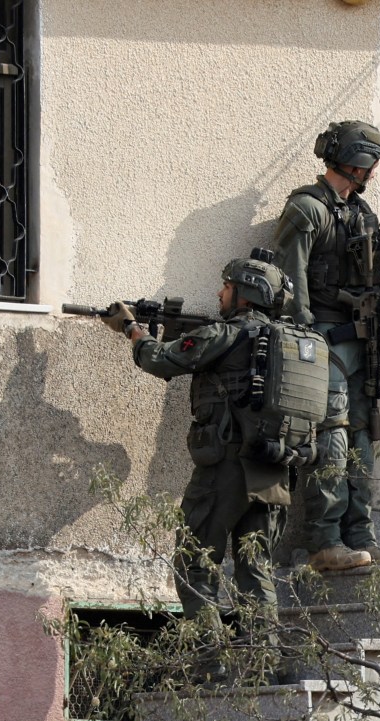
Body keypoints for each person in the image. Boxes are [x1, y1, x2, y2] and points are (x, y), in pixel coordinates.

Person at [102, 256, 307, 665]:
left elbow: (158, 360)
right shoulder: (289, 341)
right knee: (255, 569)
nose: (219, 293)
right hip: (274, 469)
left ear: (245, 293)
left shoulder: (225, 335)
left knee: (193, 563)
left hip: (226, 468)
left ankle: (212, 665)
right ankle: (264, 665)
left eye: (226, 287)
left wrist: (130, 328)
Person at [273, 119, 380, 574]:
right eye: (373, 162)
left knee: (362, 436)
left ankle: (359, 534)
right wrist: (304, 341)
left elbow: (375, 282)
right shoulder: (307, 209)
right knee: (332, 438)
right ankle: (324, 540)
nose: (375, 171)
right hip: (323, 342)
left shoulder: (361, 214)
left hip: (361, 341)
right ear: (356, 162)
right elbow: (291, 284)